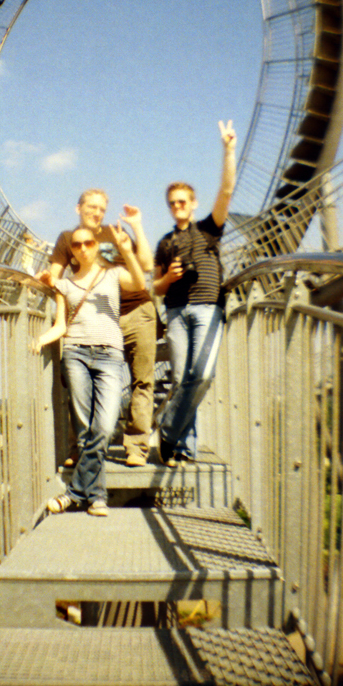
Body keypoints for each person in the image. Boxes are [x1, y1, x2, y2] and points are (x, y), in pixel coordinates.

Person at [32, 223, 146, 517]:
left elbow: (139, 283)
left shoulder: (111, 274)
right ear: (71, 250)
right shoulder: (65, 285)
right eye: (77, 244)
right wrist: (42, 338)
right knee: (84, 431)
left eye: (88, 243)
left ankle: (72, 494)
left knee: (105, 427)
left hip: (109, 355)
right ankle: (97, 497)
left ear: (97, 246)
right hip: (76, 354)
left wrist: (125, 249)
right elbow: (60, 324)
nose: (83, 248)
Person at [44, 191, 157, 467]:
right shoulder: (68, 239)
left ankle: (136, 447)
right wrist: (43, 278)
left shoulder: (114, 232)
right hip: (98, 318)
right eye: (91, 207)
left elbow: (146, 266)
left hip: (136, 311)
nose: (97, 212)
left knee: (142, 379)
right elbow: (55, 275)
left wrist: (137, 226)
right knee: (84, 384)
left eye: (101, 209)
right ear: (78, 207)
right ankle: (80, 448)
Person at [153, 120, 237, 466]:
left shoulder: (208, 230)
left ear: (193, 202)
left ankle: (168, 432)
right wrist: (169, 278)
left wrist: (229, 150)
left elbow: (227, 192)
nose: (178, 207)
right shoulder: (164, 243)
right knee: (181, 379)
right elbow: (155, 288)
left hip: (207, 309)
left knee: (202, 375)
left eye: (183, 202)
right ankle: (182, 449)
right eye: (173, 203)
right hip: (175, 311)